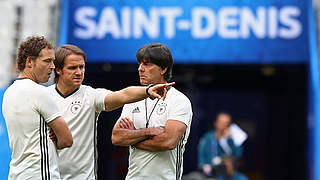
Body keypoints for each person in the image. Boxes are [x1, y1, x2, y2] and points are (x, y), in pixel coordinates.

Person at [48, 44, 174, 180]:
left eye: (82, 67)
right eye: (73, 68)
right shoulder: (43, 96)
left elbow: (123, 95)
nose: (79, 72)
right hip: (46, 175)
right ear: (59, 70)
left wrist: (147, 90)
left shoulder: (90, 95)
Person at [111, 42, 193, 180]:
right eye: (139, 64)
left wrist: (132, 138)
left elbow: (168, 142)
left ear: (163, 69)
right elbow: (116, 137)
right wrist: (149, 132)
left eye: (147, 64)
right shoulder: (133, 98)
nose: (140, 69)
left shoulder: (179, 100)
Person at [2, 36, 73, 180]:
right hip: (40, 174)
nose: (53, 66)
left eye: (53, 61)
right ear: (29, 61)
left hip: (16, 175)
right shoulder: (40, 92)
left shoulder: (8, 93)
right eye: (47, 61)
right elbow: (66, 140)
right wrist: (56, 138)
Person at [197, 112, 248, 180]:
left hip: (228, 173)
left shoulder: (234, 137)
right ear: (216, 123)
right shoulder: (208, 137)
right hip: (211, 173)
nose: (224, 125)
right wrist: (203, 165)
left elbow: (238, 155)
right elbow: (201, 154)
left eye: (226, 123)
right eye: (221, 122)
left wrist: (230, 140)